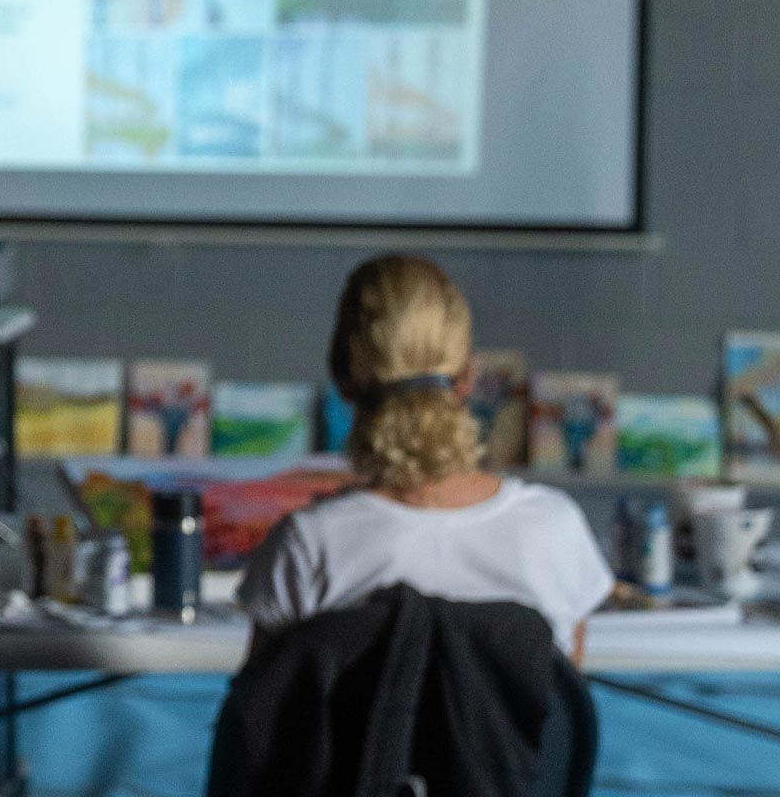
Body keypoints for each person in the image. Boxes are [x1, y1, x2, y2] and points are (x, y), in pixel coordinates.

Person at [238, 254, 614, 660]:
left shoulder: (308, 546)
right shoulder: (555, 529)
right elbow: (568, 715)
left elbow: (259, 719)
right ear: (469, 377)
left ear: (342, 380)